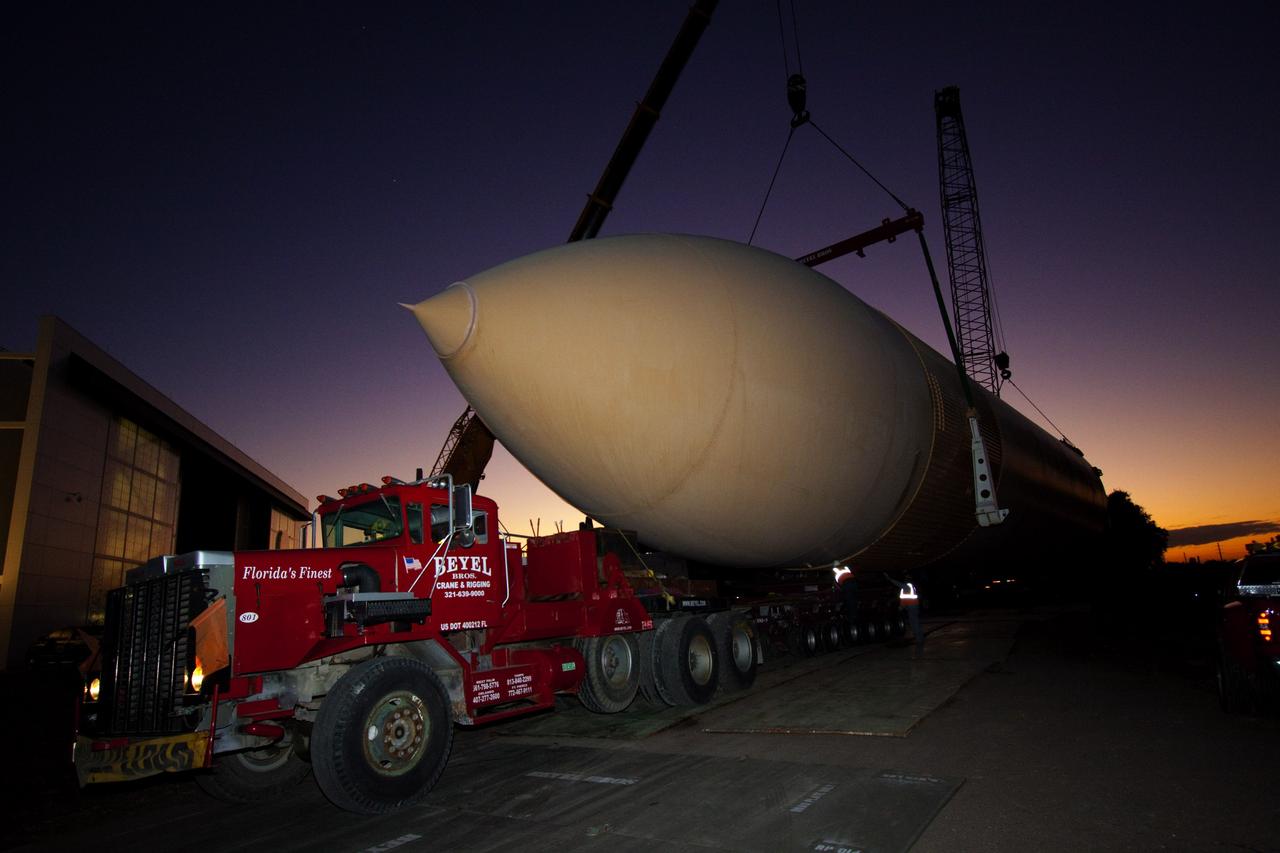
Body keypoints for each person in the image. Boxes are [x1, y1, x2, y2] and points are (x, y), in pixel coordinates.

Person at [884, 572, 924, 657]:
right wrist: (902, 606)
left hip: (912, 606)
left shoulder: (906, 586)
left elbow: (898, 585)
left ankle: (919, 639)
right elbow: (905, 598)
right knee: (915, 622)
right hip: (913, 606)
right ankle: (920, 638)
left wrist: (890, 579)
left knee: (914, 623)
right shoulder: (910, 586)